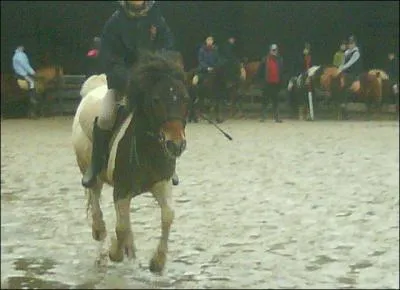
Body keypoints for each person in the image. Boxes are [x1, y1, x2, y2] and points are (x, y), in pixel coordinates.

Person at [82, 0, 175, 188]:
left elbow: (167, 46)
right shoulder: (114, 23)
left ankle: (169, 165)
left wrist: (156, 70)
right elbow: (110, 58)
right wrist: (129, 79)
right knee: (106, 117)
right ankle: (96, 164)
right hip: (123, 83)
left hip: (151, 83)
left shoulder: (157, 19)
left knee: (167, 114)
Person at [257, 43, 284, 123]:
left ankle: (277, 117)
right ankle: (263, 117)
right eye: (273, 50)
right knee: (265, 100)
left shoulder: (280, 59)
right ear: (270, 50)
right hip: (267, 83)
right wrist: (261, 82)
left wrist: (281, 82)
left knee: (275, 101)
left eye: (275, 50)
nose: (274, 51)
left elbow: (282, 72)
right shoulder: (265, 59)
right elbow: (260, 71)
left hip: (276, 83)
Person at [12, 45, 38, 117]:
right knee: (32, 82)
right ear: (19, 48)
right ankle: (32, 97)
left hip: (18, 72)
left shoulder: (15, 55)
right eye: (21, 47)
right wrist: (33, 72)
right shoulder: (20, 55)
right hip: (22, 73)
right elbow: (25, 65)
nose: (23, 48)